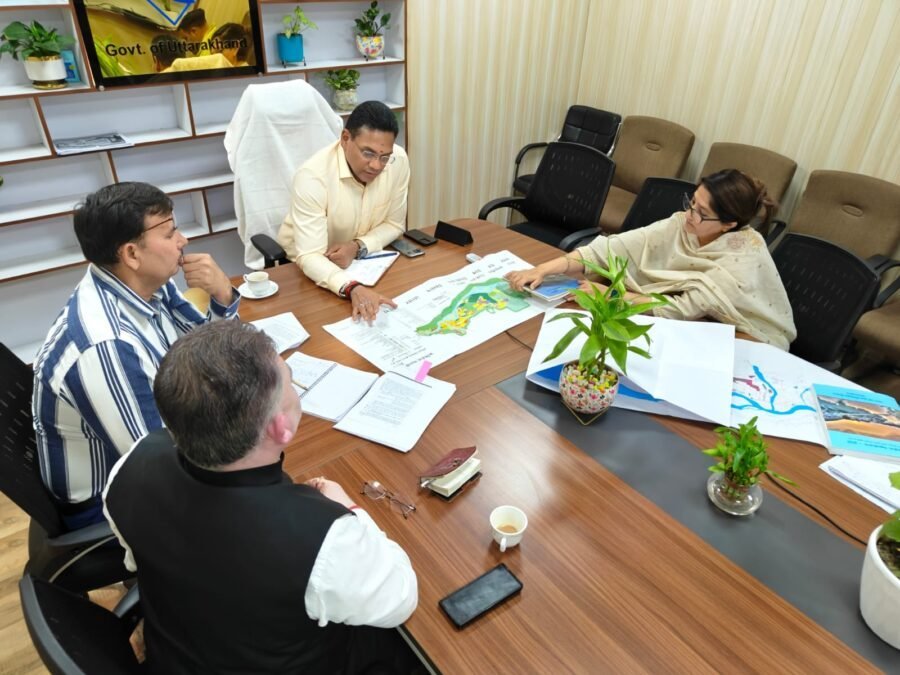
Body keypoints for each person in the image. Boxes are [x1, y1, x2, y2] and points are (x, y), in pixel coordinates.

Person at [103, 321, 418, 673]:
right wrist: (349, 507)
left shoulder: (131, 466)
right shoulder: (323, 540)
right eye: (290, 380)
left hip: (177, 653)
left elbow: (140, 561)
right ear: (280, 428)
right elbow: (401, 598)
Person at [33, 182, 239, 529]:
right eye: (170, 233)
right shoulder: (107, 346)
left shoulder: (148, 285)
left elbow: (210, 352)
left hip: (160, 444)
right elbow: (162, 467)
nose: (183, 240)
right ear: (131, 254)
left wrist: (222, 295)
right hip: (106, 504)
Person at [506, 169, 797, 350]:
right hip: (688, 323)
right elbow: (608, 248)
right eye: (692, 202)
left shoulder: (741, 258)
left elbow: (679, 310)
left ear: (728, 225)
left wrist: (610, 296)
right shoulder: (682, 224)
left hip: (745, 338)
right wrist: (542, 269)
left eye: (701, 212)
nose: (689, 214)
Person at [277, 100, 410, 323]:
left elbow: (395, 225)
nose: (377, 166)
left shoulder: (399, 161)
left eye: (384, 157)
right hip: (307, 269)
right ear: (345, 138)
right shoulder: (313, 176)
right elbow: (310, 255)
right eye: (368, 153)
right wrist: (352, 287)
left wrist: (357, 246)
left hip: (365, 263)